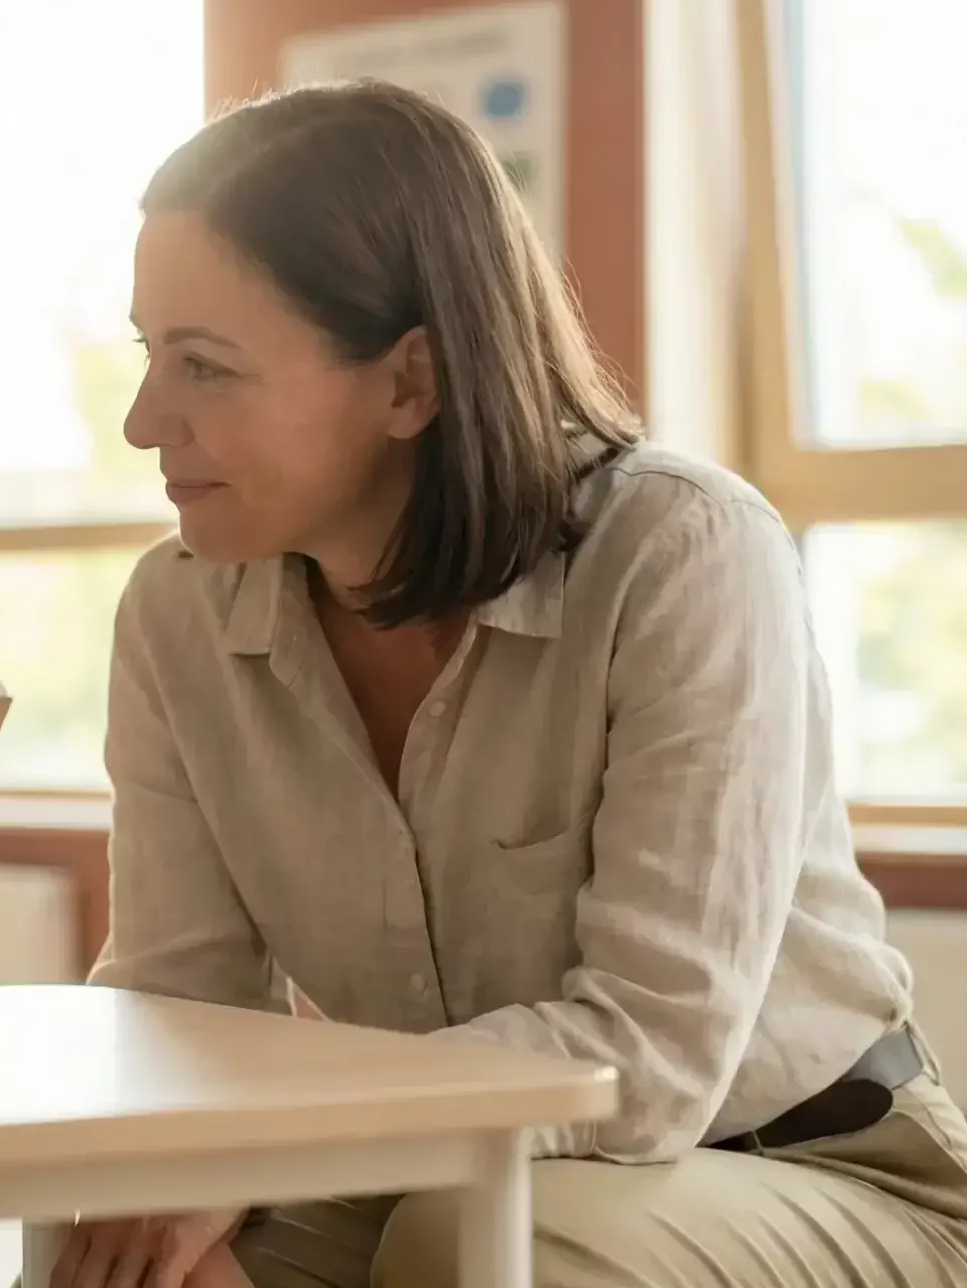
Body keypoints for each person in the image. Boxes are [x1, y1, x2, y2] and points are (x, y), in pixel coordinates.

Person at [61, 79, 967, 1288]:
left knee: (482, 1253)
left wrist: (280, 1144)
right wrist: (181, 1182)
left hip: (808, 1162)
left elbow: (645, 1058)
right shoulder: (175, 613)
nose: (139, 420)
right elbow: (176, 1008)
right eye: (146, 354)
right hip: (447, 1160)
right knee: (118, 1262)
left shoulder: (682, 554)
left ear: (406, 384)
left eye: (203, 367)